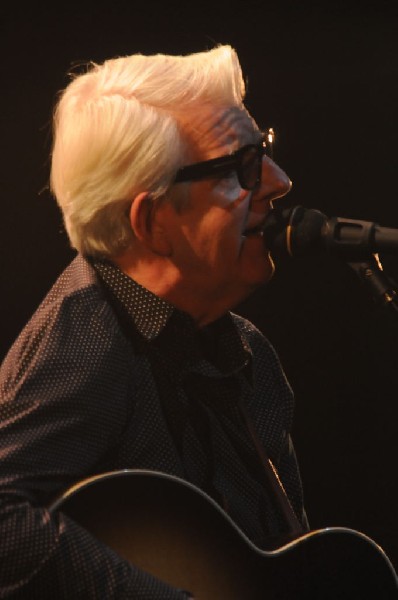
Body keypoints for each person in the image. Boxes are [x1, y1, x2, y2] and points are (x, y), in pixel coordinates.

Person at [0, 45, 307, 598]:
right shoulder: (87, 338)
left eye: (264, 152)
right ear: (152, 221)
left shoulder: (250, 355)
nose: (279, 181)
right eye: (243, 168)